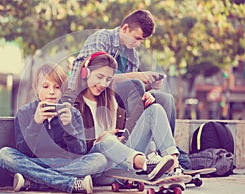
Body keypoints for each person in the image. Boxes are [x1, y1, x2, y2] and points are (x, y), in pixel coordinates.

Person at [62, 9, 191, 169]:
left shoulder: (132, 55)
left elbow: (126, 89)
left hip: (116, 109)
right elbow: (94, 77)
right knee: (135, 84)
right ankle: (147, 160)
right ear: (124, 29)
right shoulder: (102, 39)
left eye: (141, 40)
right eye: (136, 38)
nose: (138, 43)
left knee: (163, 100)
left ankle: (169, 160)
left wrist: (148, 89)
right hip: (90, 105)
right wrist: (136, 77)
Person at [71, 52, 184, 185]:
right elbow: (75, 149)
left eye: (108, 79)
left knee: (155, 110)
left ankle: (174, 166)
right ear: (85, 73)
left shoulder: (110, 100)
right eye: (99, 77)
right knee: (106, 140)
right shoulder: (74, 104)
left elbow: (126, 133)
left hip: (124, 161)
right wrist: (100, 139)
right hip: (100, 167)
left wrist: (142, 106)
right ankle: (147, 165)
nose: (103, 84)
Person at [0, 63, 108, 194]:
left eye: (57, 87)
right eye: (45, 86)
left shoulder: (72, 113)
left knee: (99, 160)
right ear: (36, 88)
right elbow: (23, 151)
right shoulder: (24, 113)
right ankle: (70, 183)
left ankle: (34, 182)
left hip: (65, 164)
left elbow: (80, 152)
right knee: (4, 155)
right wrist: (36, 123)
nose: (51, 92)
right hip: (35, 162)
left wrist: (68, 127)